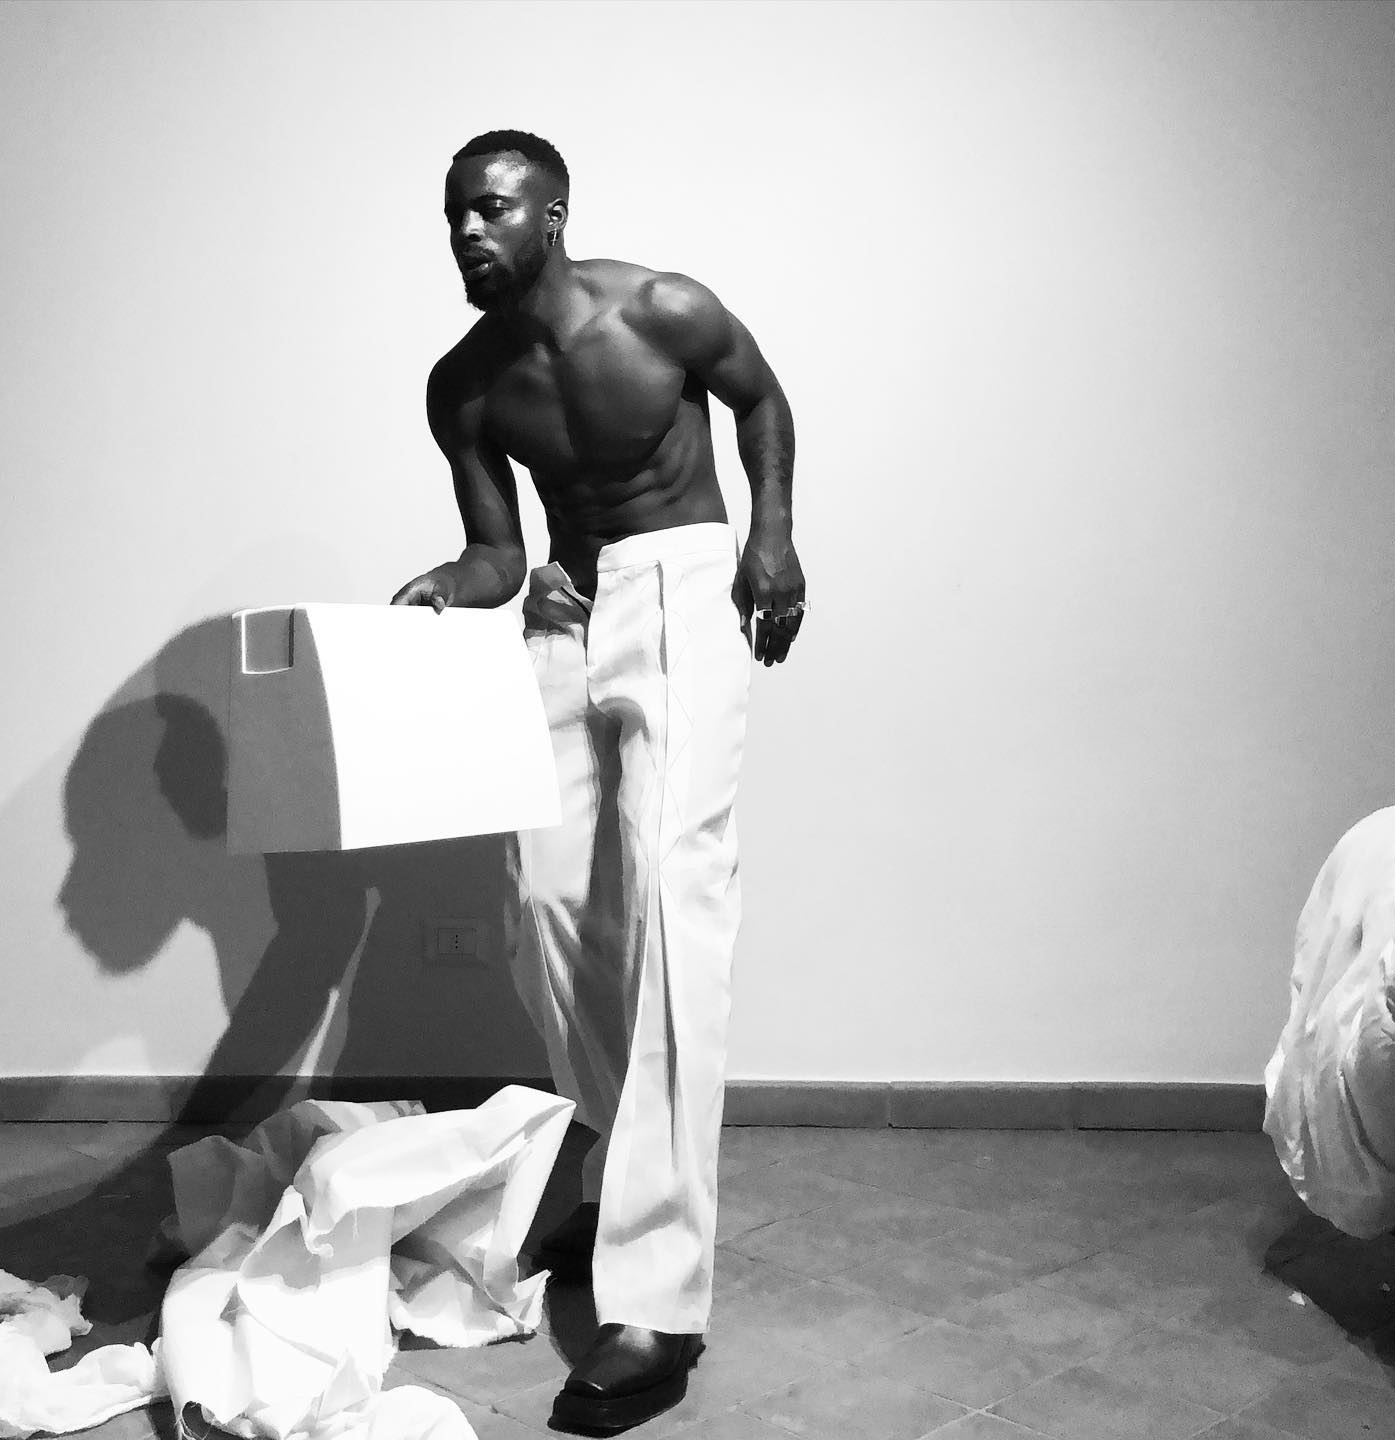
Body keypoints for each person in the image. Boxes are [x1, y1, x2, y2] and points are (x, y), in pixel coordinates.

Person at [391, 129, 805, 1433]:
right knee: (550, 907)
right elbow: (497, 550)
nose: (470, 232)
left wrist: (773, 540)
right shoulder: (463, 384)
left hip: (684, 583)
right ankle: (630, 1172)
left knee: (674, 912)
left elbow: (763, 402)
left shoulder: (661, 307)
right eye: (455, 215)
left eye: (492, 209)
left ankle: (657, 1304)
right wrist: (449, 583)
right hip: (567, 609)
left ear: (552, 214)